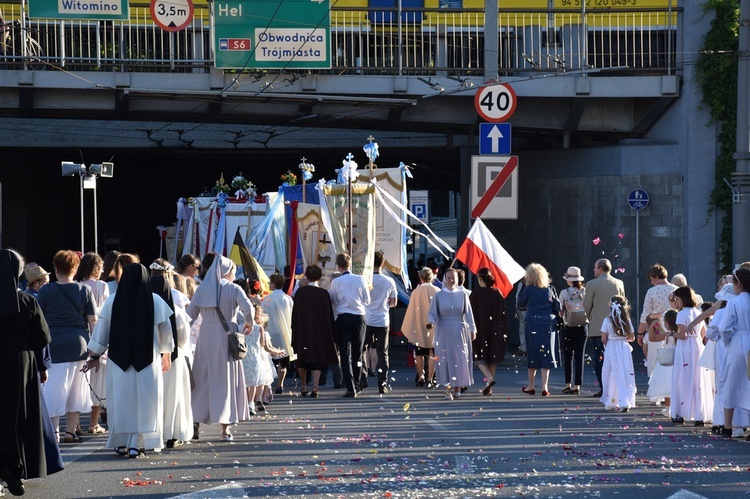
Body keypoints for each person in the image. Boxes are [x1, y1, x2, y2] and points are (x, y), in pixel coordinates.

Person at [84, 263, 174, 458]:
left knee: (121, 401)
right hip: (147, 362)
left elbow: (101, 334)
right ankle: (137, 443)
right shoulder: (156, 301)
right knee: (145, 402)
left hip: (119, 362)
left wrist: (95, 356)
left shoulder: (112, 302)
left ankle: (122, 442)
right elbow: (166, 334)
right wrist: (166, 354)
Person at [0, 249, 52, 496]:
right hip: (21, 363)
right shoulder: (27, 301)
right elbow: (42, 337)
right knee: (19, 416)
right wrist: (41, 367)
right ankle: (15, 467)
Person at [187, 255, 252, 442]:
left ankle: (195, 421)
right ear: (226, 271)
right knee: (226, 380)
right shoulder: (234, 288)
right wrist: (249, 323)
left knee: (201, 379)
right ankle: (225, 430)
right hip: (226, 337)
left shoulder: (202, 290)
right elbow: (248, 308)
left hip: (206, 337)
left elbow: (189, 316)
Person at [37, 250, 97, 444]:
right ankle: (70, 432)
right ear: (76, 268)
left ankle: (53, 431)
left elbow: (38, 319)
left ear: (56, 269)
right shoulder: (84, 290)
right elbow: (93, 320)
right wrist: (95, 348)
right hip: (79, 343)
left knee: (54, 388)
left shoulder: (46, 291)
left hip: (53, 344)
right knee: (76, 389)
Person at [151, 275, 193, 450]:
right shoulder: (178, 312)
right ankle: (174, 433)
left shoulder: (147, 308)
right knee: (175, 397)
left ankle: (155, 432)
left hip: (153, 359)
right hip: (176, 359)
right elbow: (184, 339)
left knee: (156, 398)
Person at [74, 252, 110, 435]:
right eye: (101, 266)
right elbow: (102, 314)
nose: (103, 269)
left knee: (78, 382)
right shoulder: (101, 286)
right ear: (96, 267)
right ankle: (93, 424)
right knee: (97, 381)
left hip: (78, 336)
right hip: (96, 334)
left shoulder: (75, 285)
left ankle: (75, 424)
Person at [428, 268, 477, 400]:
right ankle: (447, 388)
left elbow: (468, 313)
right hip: (443, 329)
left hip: (459, 330)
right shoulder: (438, 295)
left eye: (453, 278)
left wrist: (473, 328)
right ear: (444, 278)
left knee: (458, 358)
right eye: (448, 277)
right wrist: (432, 322)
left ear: (457, 279)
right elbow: (432, 313)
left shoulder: (463, 295)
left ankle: (458, 387)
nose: (451, 280)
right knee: (445, 358)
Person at [291, 265, 339, 398]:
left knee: (302, 358)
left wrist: (294, 329)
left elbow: (295, 313)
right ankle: (316, 386)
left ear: (307, 276)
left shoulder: (300, 292)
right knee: (317, 359)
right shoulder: (324, 294)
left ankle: (303, 385)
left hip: (303, 329)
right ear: (320, 277)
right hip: (318, 330)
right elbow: (328, 316)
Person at [328, 253, 370, 398]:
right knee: (358, 353)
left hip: (343, 316)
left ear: (338, 266)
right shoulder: (361, 279)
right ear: (349, 264)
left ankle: (350, 386)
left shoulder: (336, 282)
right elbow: (367, 300)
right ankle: (357, 383)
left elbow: (333, 300)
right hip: (359, 316)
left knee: (345, 353)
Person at [669, 285, 712, 426]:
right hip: (697, 346)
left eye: (677, 299)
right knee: (697, 380)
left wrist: (670, 333)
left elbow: (682, 335)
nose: (676, 302)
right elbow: (703, 334)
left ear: (683, 299)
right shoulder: (698, 311)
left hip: (685, 348)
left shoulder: (681, 314)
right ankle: (699, 415)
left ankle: (680, 413)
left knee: (682, 379)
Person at [583, 258, 626, 398]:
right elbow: (623, 304)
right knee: (616, 358)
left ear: (600, 269)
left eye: (595, 267)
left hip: (597, 328)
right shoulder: (619, 283)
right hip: (617, 327)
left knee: (600, 357)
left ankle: (604, 388)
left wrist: (590, 318)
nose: (594, 270)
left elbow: (586, 306)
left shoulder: (591, 284)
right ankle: (616, 388)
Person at [517, 263, 560, 397]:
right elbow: (556, 305)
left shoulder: (528, 289)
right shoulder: (550, 288)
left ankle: (531, 386)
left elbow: (521, 304)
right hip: (548, 322)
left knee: (533, 352)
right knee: (546, 353)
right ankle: (545, 387)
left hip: (533, 322)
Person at [717, 267, 750, 438]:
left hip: (738, 342)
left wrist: (727, 341)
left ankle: (728, 426)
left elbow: (724, 327)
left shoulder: (734, 302)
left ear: (738, 284)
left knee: (731, 382)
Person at [469, 267, 509, 396]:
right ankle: (489, 386)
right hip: (495, 329)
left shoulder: (475, 294)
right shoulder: (497, 293)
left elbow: (470, 313)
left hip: (480, 328)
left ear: (480, 279)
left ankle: (489, 379)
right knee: (492, 358)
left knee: (479, 356)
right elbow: (503, 312)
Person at [363, 251, 397, 394]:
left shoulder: (365, 280)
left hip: (366, 318)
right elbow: (394, 303)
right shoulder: (389, 281)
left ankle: (362, 379)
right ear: (382, 263)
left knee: (362, 350)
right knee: (382, 352)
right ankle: (382, 383)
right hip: (382, 320)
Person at [637, 264, 678, 381]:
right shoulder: (676, 289)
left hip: (657, 329)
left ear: (655, 277)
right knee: (672, 362)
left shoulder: (652, 291)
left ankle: (656, 393)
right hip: (674, 329)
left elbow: (645, 314)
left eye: (651, 279)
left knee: (655, 360)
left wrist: (640, 333)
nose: (651, 282)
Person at [401, 267, 440, 387]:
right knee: (432, 352)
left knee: (419, 353)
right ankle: (430, 378)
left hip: (419, 325)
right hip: (433, 325)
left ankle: (421, 376)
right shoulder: (437, 290)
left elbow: (411, 310)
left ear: (420, 277)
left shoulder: (415, 292)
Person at [243, 307, 284, 414]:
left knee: (246, 382)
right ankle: (251, 403)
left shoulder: (241, 327)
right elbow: (264, 346)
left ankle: (247, 403)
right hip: (255, 357)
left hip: (244, 357)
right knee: (254, 382)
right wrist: (278, 352)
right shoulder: (259, 328)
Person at [599, 296, 636, 412]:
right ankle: (625, 400)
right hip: (624, 347)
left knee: (611, 373)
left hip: (612, 347)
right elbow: (632, 337)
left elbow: (603, 338)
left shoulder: (607, 320)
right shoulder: (627, 321)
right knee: (625, 372)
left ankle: (611, 399)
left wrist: (610, 341)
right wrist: (623, 338)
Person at [261, 273, 296, 395]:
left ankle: (268, 385)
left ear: (273, 284)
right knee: (283, 360)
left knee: (270, 360)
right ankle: (280, 384)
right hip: (285, 331)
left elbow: (262, 315)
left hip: (270, 331)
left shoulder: (267, 299)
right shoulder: (288, 298)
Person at [558, 266, 587, 395]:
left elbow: (560, 310)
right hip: (583, 327)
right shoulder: (585, 291)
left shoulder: (564, 292)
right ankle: (577, 386)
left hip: (568, 327)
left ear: (569, 279)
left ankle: (567, 384)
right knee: (580, 356)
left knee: (568, 356)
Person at [646, 309, 678, 417]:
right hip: (676, 359)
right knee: (672, 384)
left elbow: (653, 338)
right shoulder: (677, 333)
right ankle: (672, 408)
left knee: (667, 384)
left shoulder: (669, 334)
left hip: (668, 360)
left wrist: (651, 327)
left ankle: (668, 408)